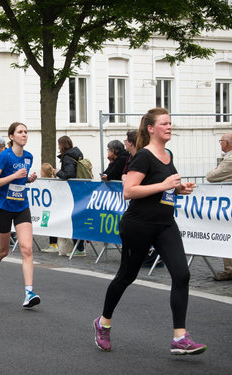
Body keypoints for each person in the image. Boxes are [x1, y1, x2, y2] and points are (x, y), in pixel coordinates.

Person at [93, 107, 206, 355]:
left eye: (170, 123)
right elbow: (129, 191)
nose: (169, 127)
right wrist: (164, 184)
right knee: (127, 276)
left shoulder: (167, 154)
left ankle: (179, 337)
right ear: (151, 129)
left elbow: (163, 186)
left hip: (165, 224)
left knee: (182, 274)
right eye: (164, 124)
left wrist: (178, 188)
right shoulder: (143, 156)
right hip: (138, 225)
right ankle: (103, 323)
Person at [0, 122, 40, 308]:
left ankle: (29, 293)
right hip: (3, 208)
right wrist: (14, 176)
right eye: (20, 132)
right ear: (12, 136)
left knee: (26, 248)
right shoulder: (4, 156)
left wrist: (28, 180)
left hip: (22, 207)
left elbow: (20, 182)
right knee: (3, 251)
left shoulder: (29, 157)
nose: (24, 134)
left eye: (26, 132)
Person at [206, 132, 232, 281]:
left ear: (227, 143)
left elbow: (211, 176)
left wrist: (215, 172)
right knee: (231, 234)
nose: (220, 143)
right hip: (231, 201)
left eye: (221, 141)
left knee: (229, 234)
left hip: (231, 202)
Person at [53, 135, 85, 256]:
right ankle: (79, 246)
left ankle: (79, 247)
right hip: (79, 190)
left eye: (59, 144)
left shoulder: (67, 157)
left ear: (62, 145)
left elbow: (69, 174)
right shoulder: (77, 154)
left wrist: (57, 172)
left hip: (72, 192)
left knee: (73, 218)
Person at [40, 162, 58, 253]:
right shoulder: (51, 180)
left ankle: (54, 245)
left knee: (51, 225)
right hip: (48, 208)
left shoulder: (50, 182)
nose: (40, 173)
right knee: (49, 225)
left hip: (51, 208)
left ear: (44, 172)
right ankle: (53, 244)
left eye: (41, 171)